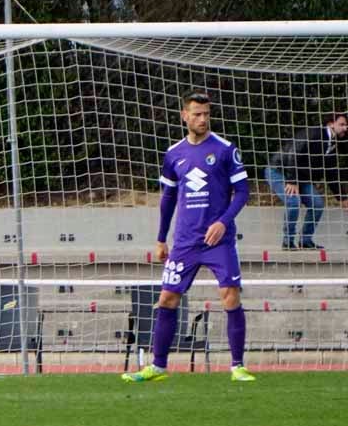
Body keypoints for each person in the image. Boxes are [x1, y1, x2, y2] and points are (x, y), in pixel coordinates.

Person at [122, 91, 255, 383]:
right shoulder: (173, 154)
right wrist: (160, 239)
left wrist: (222, 221)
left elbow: (243, 191)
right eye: (196, 114)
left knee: (229, 295)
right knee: (167, 298)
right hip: (184, 241)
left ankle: (237, 366)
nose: (203, 119)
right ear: (184, 116)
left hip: (218, 240)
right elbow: (168, 198)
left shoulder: (224, 149)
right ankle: (157, 367)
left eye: (206, 113)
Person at [264, 112, 348, 250]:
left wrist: (343, 198)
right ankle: (288, 242)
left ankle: (305, 240)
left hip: (300, 177)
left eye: (346, 125)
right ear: (331, 124)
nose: (345, 128)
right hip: (279, 171)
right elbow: (293, 152)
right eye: (342, 124)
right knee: (293, 201)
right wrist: (292, 180)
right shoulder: (314, 134)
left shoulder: (333, 144)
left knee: (317, 204)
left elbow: (332, 173)